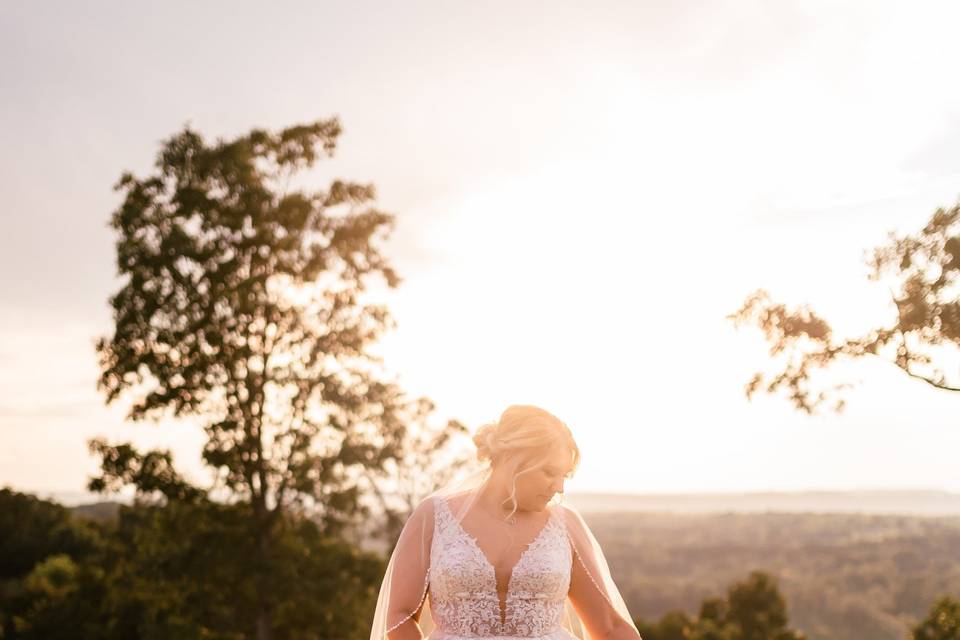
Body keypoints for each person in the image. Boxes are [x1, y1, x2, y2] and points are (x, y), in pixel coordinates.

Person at [368, 405, 643, 640]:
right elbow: (399, 616)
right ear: (512, 457)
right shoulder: (434, 516)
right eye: (549, 472)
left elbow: (608, 627)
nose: (559, 487)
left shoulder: (566, 525)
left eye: (564, 476)